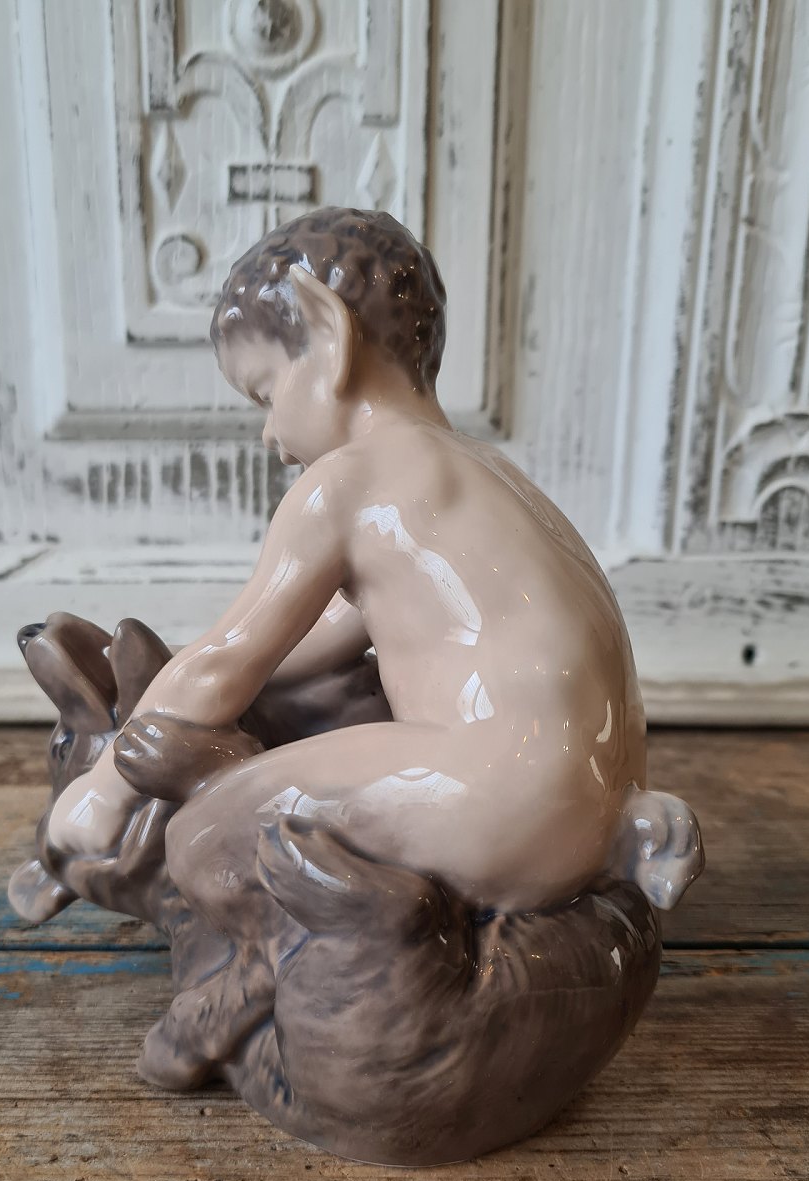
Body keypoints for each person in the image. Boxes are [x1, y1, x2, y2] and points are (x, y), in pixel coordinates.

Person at [48, 206, 646, 932]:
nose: (270, 434)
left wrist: (103, 789)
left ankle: (324, 959)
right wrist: (182, 681)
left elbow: (231, 661)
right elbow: (295, 650)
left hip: (498, 794)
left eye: (267, 394)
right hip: (598, 807)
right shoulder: (487, 474)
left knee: (203, 838)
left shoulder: (347, 481)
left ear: (326, 336)